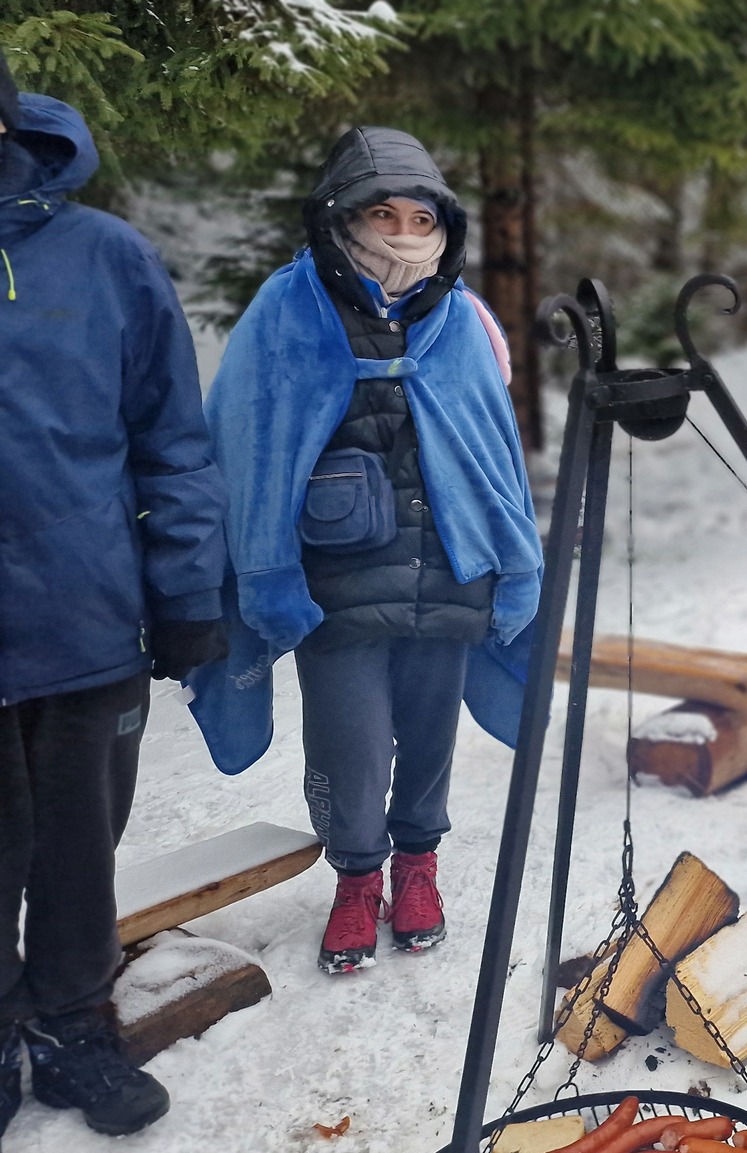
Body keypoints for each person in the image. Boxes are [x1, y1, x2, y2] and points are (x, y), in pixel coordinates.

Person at [197, 127, 541, 976]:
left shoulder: (461, 317)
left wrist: (516, 559)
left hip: (449, 564)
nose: (402, 233)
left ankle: (418, 866)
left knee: (428, 736)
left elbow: (494, 447)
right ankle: (357, 878)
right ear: (342, 215)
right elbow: (247, 442)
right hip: (335, 576)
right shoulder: (288, 306)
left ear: (444, 228)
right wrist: (264, 568)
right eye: (383, 213)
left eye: (421, 218)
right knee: (349, 743)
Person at [0, 62, 229, 1139]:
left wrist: (185, 589)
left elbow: (171, 441)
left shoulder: (104, 256)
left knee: (78, 853)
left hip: (82, 619)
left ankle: (74, 1025)